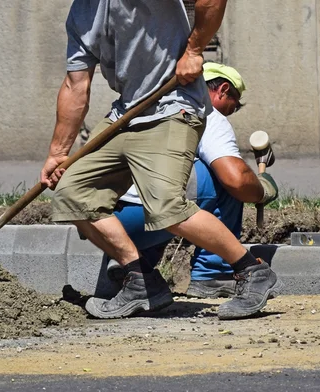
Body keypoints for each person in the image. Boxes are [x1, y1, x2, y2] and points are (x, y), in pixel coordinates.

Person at [40, 0, 283, 320]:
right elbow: (75, 85)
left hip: (174, 106)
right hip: (126, 112)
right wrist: (58, 153)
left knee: (165, 205)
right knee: (71, 190)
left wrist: (195, 50)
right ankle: (140, 280)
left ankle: (251, 272)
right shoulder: (82, 14)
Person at [104, 62, 279, 300]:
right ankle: (213, 273)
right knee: (219, 179)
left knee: (169, 178)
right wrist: (261, 189)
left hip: (103, 223)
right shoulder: (205, 113)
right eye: (234, 106)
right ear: (223, 90)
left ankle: (136, 267)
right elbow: (236, 180)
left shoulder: (146, 104)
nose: (231, 111)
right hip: (143, 218)